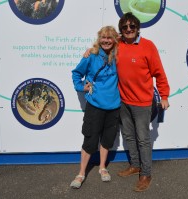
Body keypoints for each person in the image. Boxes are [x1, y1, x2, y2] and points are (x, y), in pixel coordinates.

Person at [84, 12, 170, 192]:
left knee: (143, 139)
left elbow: (159, 73)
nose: (129, 29)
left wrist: (164, 96)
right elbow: (102, 46)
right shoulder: (118, 45)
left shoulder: (148, 46)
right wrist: (90, 51)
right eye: (125, 27)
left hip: (143, 103)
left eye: (132, 26)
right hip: (123, 101)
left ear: (138, 28)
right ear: (121, 30)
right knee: (129, 136)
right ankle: (136, 166)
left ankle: (146, 174)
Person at [70, 26, 121, 189]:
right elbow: (76, 73)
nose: (106, 41)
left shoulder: (119, 55)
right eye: (103, 38)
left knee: (107, 139)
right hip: (95, 105)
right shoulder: (91, 55)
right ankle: (81, 173)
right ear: (99, 39)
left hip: (114, 105)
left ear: (114, 40)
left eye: (110, 38)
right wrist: (80, 86)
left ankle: (102, 168)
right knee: (90, 139)